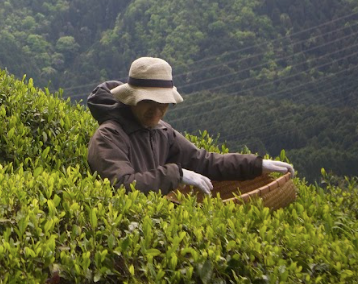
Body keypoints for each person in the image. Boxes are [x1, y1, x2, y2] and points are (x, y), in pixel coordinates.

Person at [86, 56, 294, 195]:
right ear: (132, 98)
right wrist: (176, 174)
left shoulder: (162, 132)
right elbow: (122, 185)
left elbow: (203, 161)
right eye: (149, 101)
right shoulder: (109, 136)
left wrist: (256, 165)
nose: (157, 111)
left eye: (163, 103)